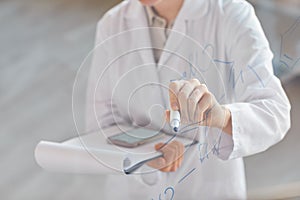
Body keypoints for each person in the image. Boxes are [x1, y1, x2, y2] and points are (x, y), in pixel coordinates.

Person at [85, 0, 291, 199]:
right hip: (131, 191)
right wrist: (146, 153)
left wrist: (222, 116)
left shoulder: (231, 13)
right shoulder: (113, 23)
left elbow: (274, 111)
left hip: (207, 189)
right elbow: (100, 122)